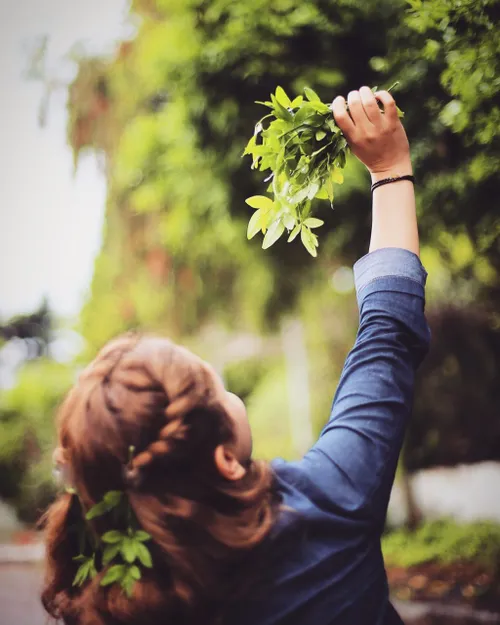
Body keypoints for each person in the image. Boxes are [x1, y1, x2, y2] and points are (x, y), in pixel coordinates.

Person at [42, 86, 430, 625]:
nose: (227, 391)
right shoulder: (328, 502)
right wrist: (390, 169)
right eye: (216, 388)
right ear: (224, 459)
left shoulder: (107, 603)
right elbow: (388, 336)